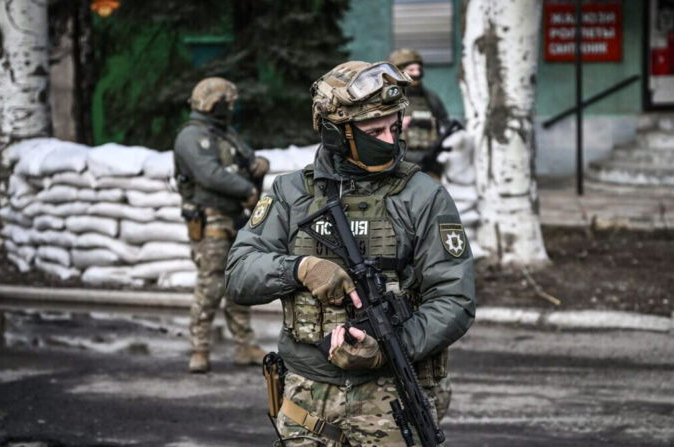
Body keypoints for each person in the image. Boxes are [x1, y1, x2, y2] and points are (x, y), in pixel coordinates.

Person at [226, 61, 475, 446]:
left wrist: (390, 349)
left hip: (392, 399)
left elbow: (455, 299)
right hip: (307, 398)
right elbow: (240, 273)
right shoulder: (292, 194)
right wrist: (300, 268)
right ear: (336, 133)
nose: (390, 140)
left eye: (394, 126)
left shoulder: (424, 196)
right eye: (375, 131)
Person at [174, 77, 269, 373]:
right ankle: (199, 349)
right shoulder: (192, 136)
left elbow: (246, 159)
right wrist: (247, 190)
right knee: (211, 283)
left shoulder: (225, 133)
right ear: (212, 103)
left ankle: (244, 345)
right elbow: (209, 174)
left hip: (235, 217)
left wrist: (258, 164)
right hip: (210, 216)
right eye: (226, 103)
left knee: (238, 283)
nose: (231, 108)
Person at [388, 48, 451, 178]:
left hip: (431, 166)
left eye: (419, 69)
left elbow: (446, 126)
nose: (416, 73)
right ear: (398, 72)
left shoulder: (431, 98)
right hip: (399, 167)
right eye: (411, 70)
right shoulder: (389, 99)